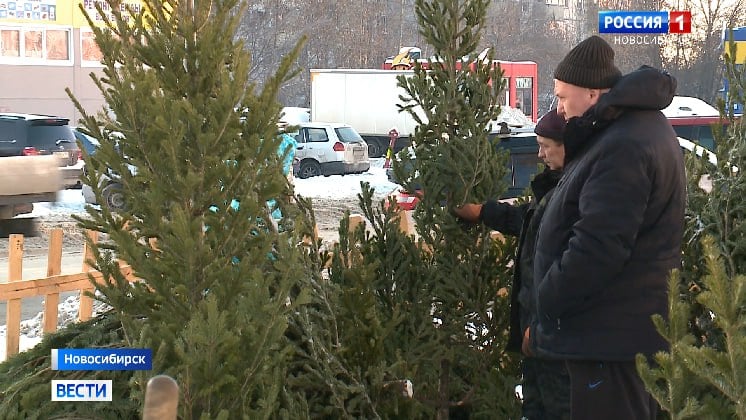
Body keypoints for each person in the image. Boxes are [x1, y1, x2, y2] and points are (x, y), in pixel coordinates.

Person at [529, 36, 686, 419]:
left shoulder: (624, 145)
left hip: (609, 339)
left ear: (593, 94)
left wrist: (546, 301)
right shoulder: (631, 131)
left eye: (564, 98)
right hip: (618, 334)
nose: (560, 109)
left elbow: (598, 247)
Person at [454, 109, 570, 419]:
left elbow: (567, 275)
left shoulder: (573, 194)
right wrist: (481, 212)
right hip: (538, 336)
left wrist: (542, 327)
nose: (540, 153)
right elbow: (525, 219)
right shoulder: (553, 189)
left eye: (546, 146)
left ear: (567, 146)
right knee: (534, 408)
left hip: (553, 340)